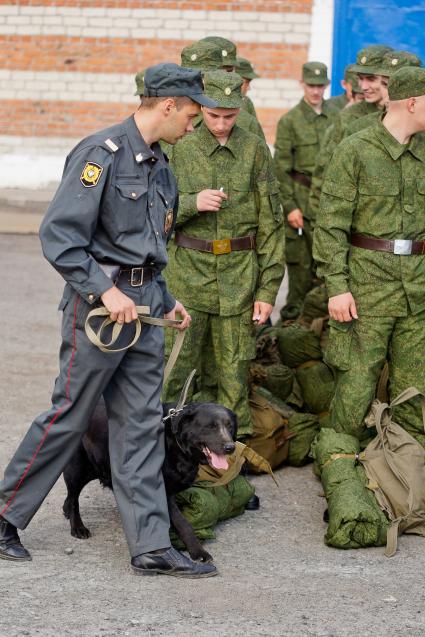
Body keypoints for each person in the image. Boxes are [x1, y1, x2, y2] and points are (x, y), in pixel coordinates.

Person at [0, 63, 219, 578]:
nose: (196, 123)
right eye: (191, 113)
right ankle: (6, 514)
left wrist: (164, 298)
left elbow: (150, 246)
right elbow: (59, 236)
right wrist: (104, 289)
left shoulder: (162, 165)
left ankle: (149, 546)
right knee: (71, 415)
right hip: (99, 313)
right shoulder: (101, 155)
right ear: (167, 105)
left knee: (141, 425)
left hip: (145, 310)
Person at [162, 70, 285, 439]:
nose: (221, 123)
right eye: (213, 115)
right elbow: (154, 213)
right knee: (176, 368)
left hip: (238, 278)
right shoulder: (178, 147)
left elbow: (271, 223)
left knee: (235, 371)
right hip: (188, 277)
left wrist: (267, 291)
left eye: (229, 116)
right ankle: (161, 449)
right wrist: (190, 204)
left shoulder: (254, 149)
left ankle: (235, 465)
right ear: (201, 108)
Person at [313, 65, 425, 444]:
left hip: (418, 287)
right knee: (358, 380)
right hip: (368, 288)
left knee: (415, 384)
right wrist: (337, 287)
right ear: (411, 102)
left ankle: (407, 468)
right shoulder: (356, 150)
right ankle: (339, 459)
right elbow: (330, 225)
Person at [273, 61, 337, 320]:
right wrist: (290, 207)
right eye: (311, 85)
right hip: (301, 201)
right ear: (302, 84)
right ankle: (290, 324)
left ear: (326, 86)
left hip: (329, 202)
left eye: (320, 86)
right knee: (300, 269)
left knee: (325, 268)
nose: (315, 91)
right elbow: (281, 169)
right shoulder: (290, 121)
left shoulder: (336, 116)